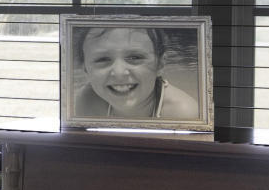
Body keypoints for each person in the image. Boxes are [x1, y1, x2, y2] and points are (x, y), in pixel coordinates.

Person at [70, 22, 202, 123]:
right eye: (102, 59)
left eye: (135, 57)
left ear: (160, 64)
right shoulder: (87, 101)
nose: (119, 73)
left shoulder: (182, 113)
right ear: (85, 69)